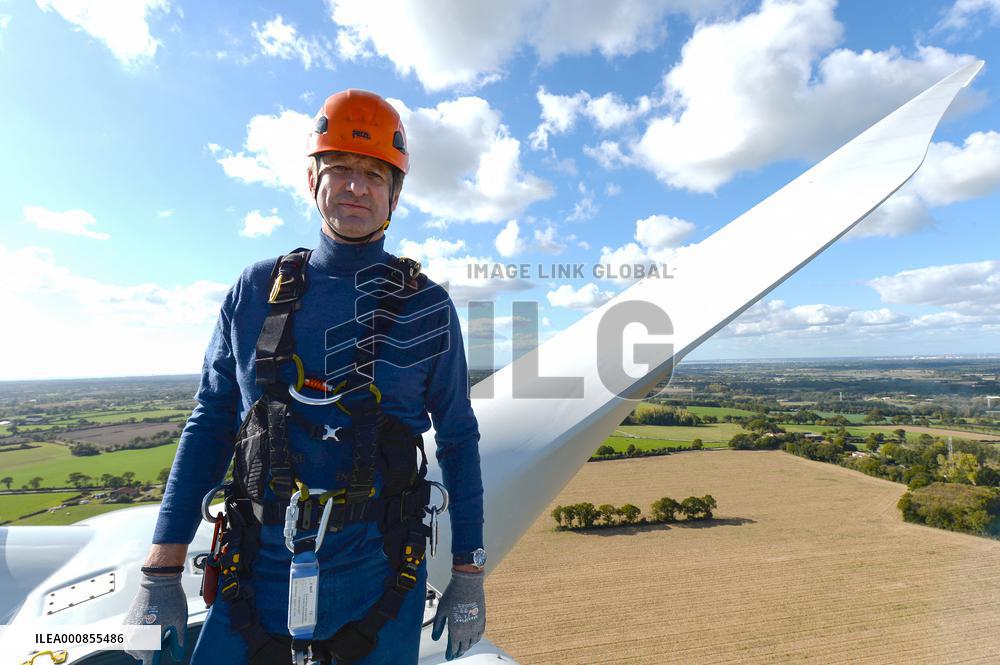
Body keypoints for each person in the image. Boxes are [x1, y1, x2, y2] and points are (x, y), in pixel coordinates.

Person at [124, 89, 487, 665]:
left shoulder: (427, 307)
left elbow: (459, 438)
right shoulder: (254, 292)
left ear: (394, 193)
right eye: (339, 168)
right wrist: (161, 571)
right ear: (312, 179)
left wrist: (468, 571)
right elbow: (211, 420)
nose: (356, 186)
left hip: (382, 568)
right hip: (254, 566)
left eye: (374, 173)